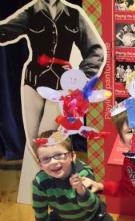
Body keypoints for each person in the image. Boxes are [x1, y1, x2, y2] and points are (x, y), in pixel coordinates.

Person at [0, 0, 106, 203]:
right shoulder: (31, 11)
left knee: (46, 140)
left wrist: (80, 79)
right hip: (32, 82)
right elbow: (5, 31)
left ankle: (58, 189)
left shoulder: (74, 14)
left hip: (61, 85)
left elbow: (96, 51)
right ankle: (46, 188)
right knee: (34, 143)